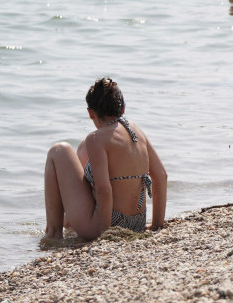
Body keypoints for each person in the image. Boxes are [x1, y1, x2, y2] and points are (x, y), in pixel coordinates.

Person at [44, 78, 168, 241]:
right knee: (82, 149)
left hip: (108, 225)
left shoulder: (96, 138)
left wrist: (104, 236)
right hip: (137, 223)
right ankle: (70, 221)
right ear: (123, 109)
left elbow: (104, 190)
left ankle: (53, 234)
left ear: (91, 113)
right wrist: (156, 224)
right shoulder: (136, 131)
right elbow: (161, 175)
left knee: (59, 150)